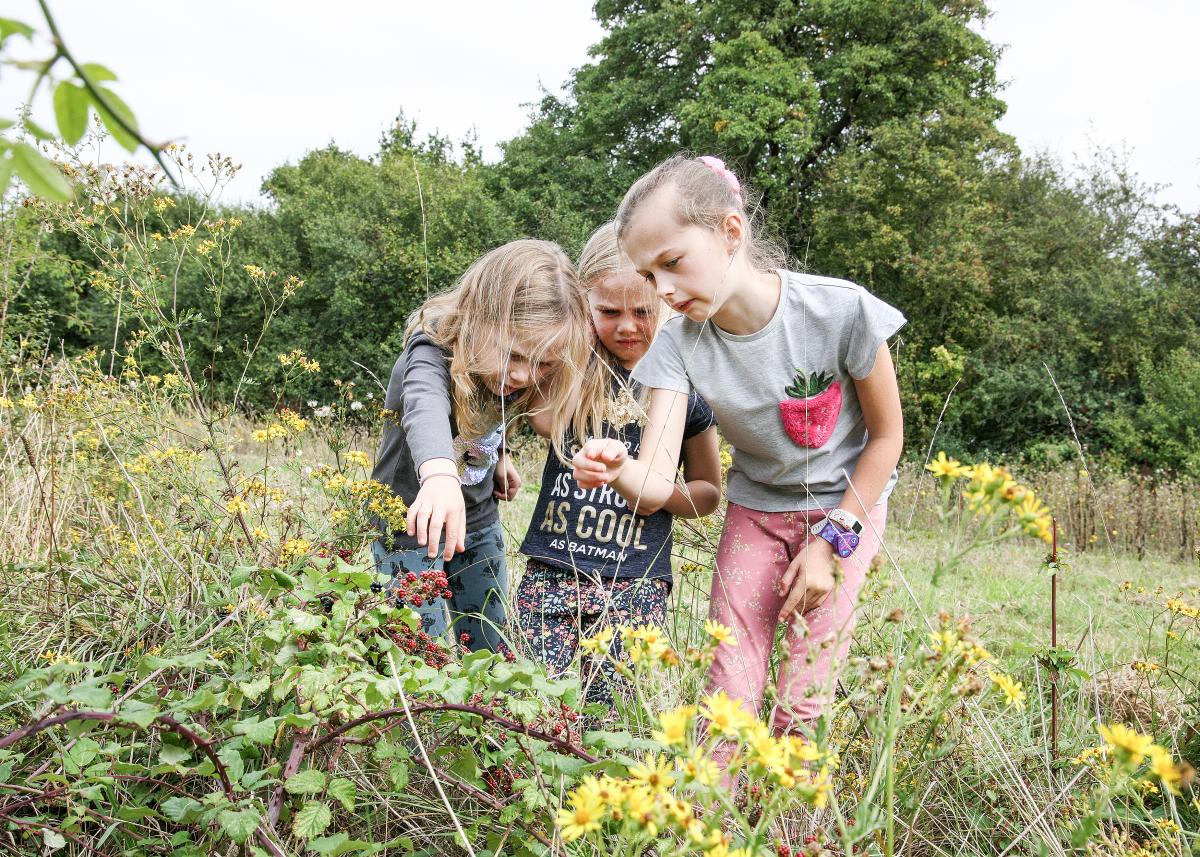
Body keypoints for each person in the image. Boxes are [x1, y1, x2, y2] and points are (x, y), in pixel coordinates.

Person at [572, 155, 905, 733]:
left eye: (673, 262)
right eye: (651, 276)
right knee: (730, 687)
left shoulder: (840, 311)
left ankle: (794, 827)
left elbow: (887, 438)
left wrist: (830, 544)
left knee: (804, 696)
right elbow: (652, 484)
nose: (665, 292)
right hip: (757, 513)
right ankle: (709, 822)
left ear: (730, 232)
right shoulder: (676, 346)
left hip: (848, 509)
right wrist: (618, 466)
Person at [517, 222, 721, 704]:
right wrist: (577, 338)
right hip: (552, 569)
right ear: (584, 307)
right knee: (537, 703)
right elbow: (544, 422)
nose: (627, 326)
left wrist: (656, 493)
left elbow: (708, 491)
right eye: (608, 311)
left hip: (636, 578)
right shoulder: (573, 373)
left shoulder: (683, 386)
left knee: (611, 712)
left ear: (668, 306)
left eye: (643, 311)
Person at [371, 239, 605, 653]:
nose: (521, 375)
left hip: (477, 519)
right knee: (418, 651)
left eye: (542, 365)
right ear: (479, 317)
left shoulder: (510, 370)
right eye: (513, 355)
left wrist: (499, 457)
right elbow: (424, 407)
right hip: (409, 525)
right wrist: (440, 475)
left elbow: (488, 417)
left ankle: (483, 715)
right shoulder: (430, 351)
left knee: (491, 642)